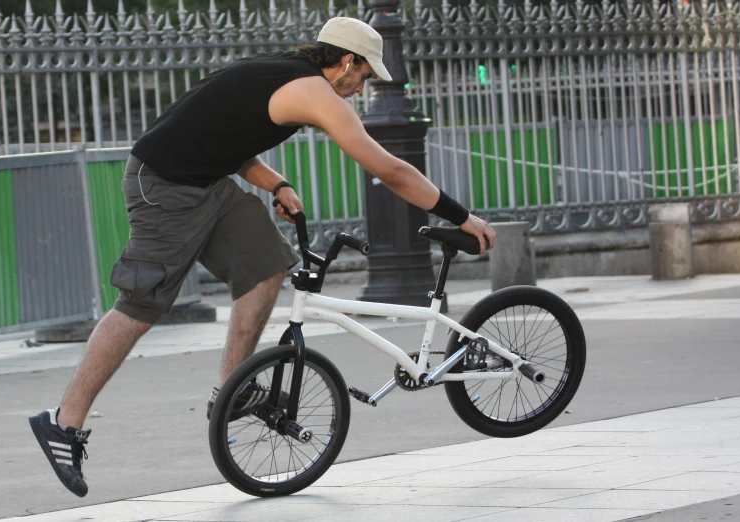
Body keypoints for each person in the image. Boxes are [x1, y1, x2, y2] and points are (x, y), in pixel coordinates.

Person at [28, 16, 497, 497]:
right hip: (164, 186)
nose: (362, 87)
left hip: (207, 184)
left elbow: (227, 141)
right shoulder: (313, 91)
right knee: (141, 304)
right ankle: (63, 423)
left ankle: (232, 389)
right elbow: (390, 170)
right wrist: (461, 217)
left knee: (268, 264)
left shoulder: (277, 72)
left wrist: (276, 183)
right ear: (345, 62)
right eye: (364, 75)